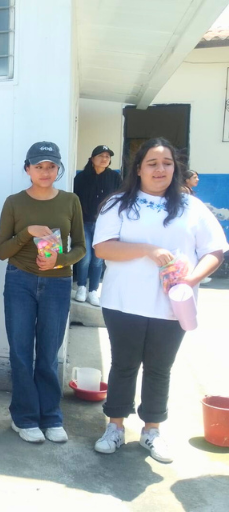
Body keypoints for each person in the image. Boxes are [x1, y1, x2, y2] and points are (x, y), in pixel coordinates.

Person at [92, 138, 227, 463]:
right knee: (124, 365)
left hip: (172, 306)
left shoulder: (191, 206)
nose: (160, 169)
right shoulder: (119, 203)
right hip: (123, 302)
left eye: (167, 163)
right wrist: (148, 250)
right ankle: (115, 427)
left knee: (159, 368)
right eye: (152, 163)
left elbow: (215, 250)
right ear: (138, 169)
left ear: (175, 168)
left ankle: (151, 430)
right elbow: (103, 247)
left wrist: (191, 280)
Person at [0, 141, 86, 444]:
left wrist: (58, 260)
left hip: (57, 283)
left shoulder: (71, 201)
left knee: (48, 354)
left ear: (58, 169)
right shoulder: (14, 202)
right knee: (21, 353)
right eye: (39, 166)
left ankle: (51, 416)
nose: (45, 172)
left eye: (51, 166)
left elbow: (81, 247)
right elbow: (2, 251)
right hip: (19, 282)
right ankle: (24, 418)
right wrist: (27, 232)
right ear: (28, 169)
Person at [73, 145, 121, 306]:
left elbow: (119, 199)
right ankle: (81, 287)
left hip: (105, 224)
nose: (104, 159)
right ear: (92, 159)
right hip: (84, 222)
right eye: (101, 156)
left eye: (107, 156)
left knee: (98, 259)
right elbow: (75, 200)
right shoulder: (81, 178)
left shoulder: (114, 177)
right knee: (85, 257)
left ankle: (93, 290)